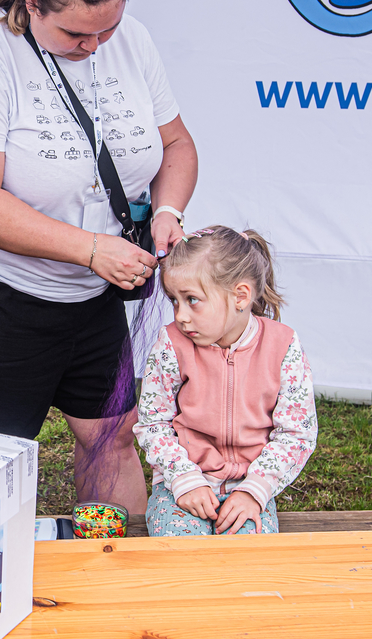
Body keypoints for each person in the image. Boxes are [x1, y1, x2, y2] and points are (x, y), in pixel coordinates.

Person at [0, 0, 198, 513]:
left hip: (93, 286)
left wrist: (167, 211)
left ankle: (112, 561)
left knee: (112, 435)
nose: (94, 46)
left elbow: (176, 145)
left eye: (107, 29)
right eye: (74, 33)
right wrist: (91, 249)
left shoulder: (131, 41)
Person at [134, 226, 318, 537]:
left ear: (240, 296)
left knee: (248, 558)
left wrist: (254, 491)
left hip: (249, 489)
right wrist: (184, 480)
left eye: (192, 300)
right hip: (182, 486)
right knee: (179, 554)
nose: (180, 316)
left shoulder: (283, 346)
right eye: (174, 300)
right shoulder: (171, 344)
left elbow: (297, 433)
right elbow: (153, 423)